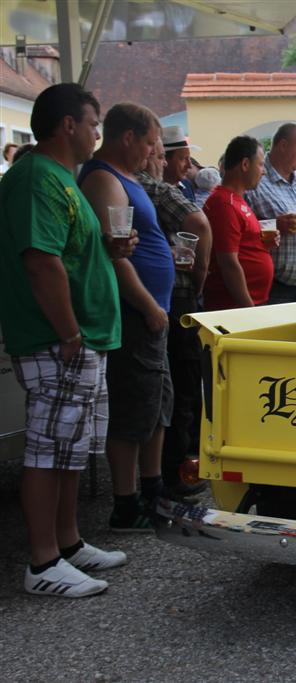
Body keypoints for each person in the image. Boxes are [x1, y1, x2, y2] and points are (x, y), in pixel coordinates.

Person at [0, 83, 130, 597]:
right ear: (68, 125)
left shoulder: (59, 177)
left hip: (78, 338)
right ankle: (42, 561)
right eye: (94, 122)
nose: (99, 132)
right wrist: (69, 331)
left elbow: (70, 251)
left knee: (71, 446)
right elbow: (41, 261)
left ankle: (68, 542)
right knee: (48, 448)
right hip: (59, 339)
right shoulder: (36, 178)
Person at [79, 102, 176, 531]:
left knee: (156, 405)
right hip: (136, 314)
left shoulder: (130, 178)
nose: (152, 152)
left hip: (153, 312)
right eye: (150, 143)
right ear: (128, 138)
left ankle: (152, 489)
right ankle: (126, 501)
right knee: (132, 409)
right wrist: (148, 304)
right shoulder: (104, 178)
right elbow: (114, 255)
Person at [136, 128, 213, 496]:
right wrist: (200, 276)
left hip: (171, 297)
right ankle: (175, 468)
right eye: (174, 157)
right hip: (175, 296)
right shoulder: (157, 190)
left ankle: (177, 463)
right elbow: (198, 226)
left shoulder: (178, 189)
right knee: (180, 381)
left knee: (181, 382)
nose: (180, 164)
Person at [245, 123, 296, 304]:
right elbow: (239, 229)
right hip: (276, 289)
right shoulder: (256, 180)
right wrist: (275, 224)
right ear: (283, 145)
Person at [202, 136, 276, 310]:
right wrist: (248, 309)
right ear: (244, 164)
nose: (263, 171)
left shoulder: (237, 200)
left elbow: (242, 245)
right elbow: (228, 261)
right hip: (234, 307)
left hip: (249, 303)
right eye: (260, 164)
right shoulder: (224, 203)